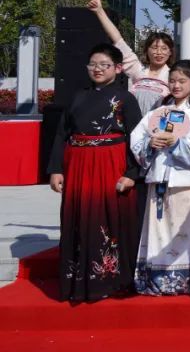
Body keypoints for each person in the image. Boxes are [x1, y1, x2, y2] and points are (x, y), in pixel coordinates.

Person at [48, 43, 142, 302]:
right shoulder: (77, 96)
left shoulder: (126, 99)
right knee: (78, 216)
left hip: (111, 165)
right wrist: (56, 169)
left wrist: (132, 173)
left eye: (104, 65)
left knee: (107, 217)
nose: (97, 69)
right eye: (93, 64)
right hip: (78, 165)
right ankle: (78, 281)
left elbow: (137, 139)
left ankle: (110, 280)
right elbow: (61, 134)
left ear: (118, 68)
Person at [130, 60, 190, 295]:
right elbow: (137, 136)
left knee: (186, 232)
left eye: (182, 81)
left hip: (187, 182)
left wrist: (178, 143)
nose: (176, 85)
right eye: (172, 81)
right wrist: (150, 143)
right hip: (160, 179)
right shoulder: (159, 111)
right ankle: (157, 278)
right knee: (159, 232)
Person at [88, 0, 172, 114]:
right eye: (154, 48)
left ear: (170, 52)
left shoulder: (172, 76)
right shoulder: (138, 70)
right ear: (146, 50)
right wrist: (100, 12)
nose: (159, 52)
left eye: (164, 48)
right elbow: (117, 39)